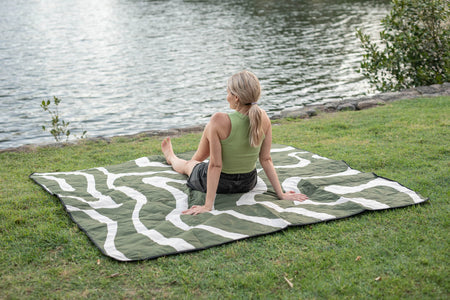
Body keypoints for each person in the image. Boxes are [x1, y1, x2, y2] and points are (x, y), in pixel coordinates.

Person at [161, 70, 308, 215]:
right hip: (248, 183)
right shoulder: (264, 117)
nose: (227, 97)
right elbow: (266, 159)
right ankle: (193, 163)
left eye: (228, 93)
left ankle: (174, 159)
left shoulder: (219, 120)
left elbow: (216, 165)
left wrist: (208, 205)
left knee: (190, 163)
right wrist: (281, 194)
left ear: (236, 97)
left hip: (220, 183)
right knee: (212, 129)